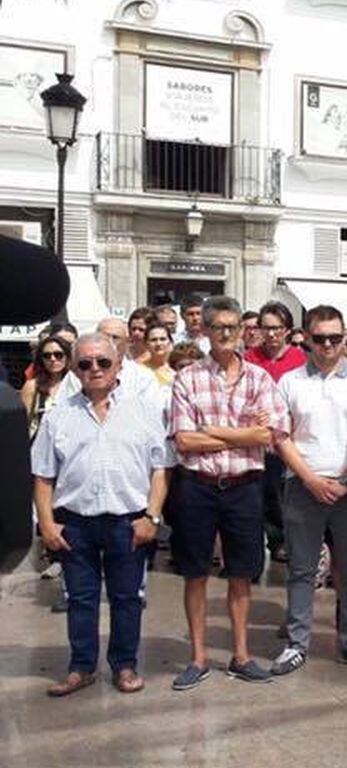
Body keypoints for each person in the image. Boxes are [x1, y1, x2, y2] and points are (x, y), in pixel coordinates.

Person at [31, 333, 173, 696]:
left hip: (129, 522)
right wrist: (46, 524)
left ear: (118, 365)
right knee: (80, 599)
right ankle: (81, 668)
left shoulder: (144, 411)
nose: (94, 369)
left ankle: (125, 665)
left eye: (103, 362)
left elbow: (161, 469)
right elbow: (43, 476)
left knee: (127, 599)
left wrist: (152, 518)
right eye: (85, 363)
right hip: (75, 523)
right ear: (74, 369)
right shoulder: (58, 416)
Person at [168, 295, 290, 690]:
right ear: (204, 329)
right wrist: (242, 434)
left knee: (242, 574)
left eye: (233, 326)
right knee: (195, 573)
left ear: (241, 330)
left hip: (244, 487)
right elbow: (184, 440)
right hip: (198, 487)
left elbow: (270, 435)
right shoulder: (188, 377)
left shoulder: (259, 379)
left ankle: (241, 656)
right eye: (218, 326)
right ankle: (198, 658)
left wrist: (213, 431)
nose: (226, 333)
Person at [270, 305, 347, 674]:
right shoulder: (290, 381)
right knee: (302, 569)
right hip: (304, 485)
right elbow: (281, 437)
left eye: (335, 337)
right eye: (320, 338)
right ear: (306, 337)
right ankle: (297, 644)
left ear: (345, 336)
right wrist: (310, 479)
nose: (328, 345)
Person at [246, 302, 307, 565]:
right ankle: (274, 541)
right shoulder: (249, 358)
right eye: (266, 328)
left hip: (292, 438)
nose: (271, 334)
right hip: (259, 439)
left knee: (290, 495)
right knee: (265, 496)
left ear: (287, 330)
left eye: (277, 328)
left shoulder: (301, 359)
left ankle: (294, 541)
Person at [22, 335, 71, 439]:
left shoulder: (77, 384)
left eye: (58, 355)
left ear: (67, 357)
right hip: (39, 444)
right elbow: (23, 424)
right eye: (47, 356)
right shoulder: (32, 386)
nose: (53, 359)